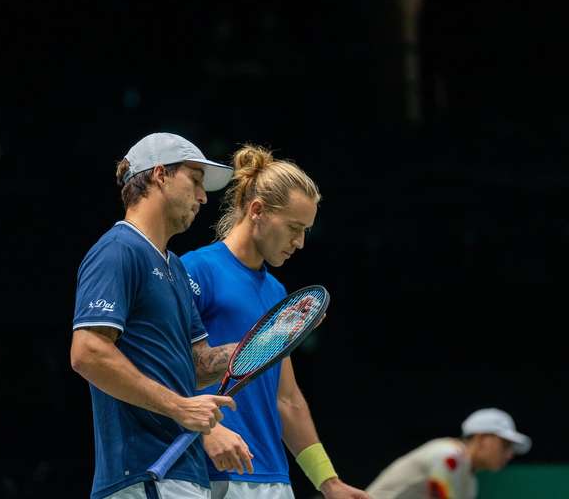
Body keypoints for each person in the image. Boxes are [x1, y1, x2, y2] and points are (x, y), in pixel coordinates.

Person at [181, 144, 369, 499]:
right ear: (257, 211)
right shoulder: (196, 269)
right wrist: (206, 431)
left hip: (273, 477)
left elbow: (287, 399)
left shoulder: (276, 290)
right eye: (293, 228)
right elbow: (163, 366)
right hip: (213, 474)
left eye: (306, 232)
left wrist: (329, 483)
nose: (299, 243)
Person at [70, 132, 243, 499]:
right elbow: (87, 353)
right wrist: (180, 407)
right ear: (160, 175)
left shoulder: (175, 268)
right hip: (144, 474)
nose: (202, 196)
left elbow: (197, 365)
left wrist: (265, 343)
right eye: (194, 181)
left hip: (183, 473)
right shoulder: (117, 251)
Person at [365, 408, 531, 499]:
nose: (509, 454)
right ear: (482, 438)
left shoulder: (470, 483)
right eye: (505, 444)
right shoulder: (448, 455)